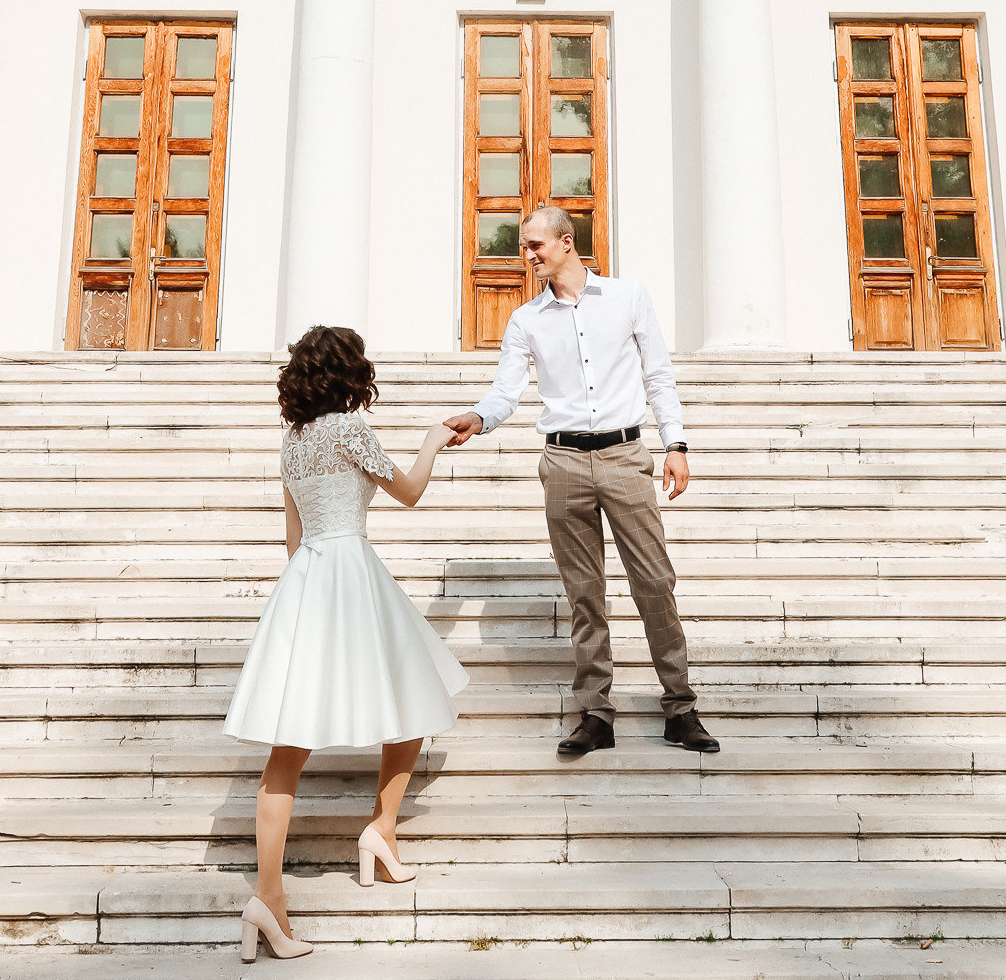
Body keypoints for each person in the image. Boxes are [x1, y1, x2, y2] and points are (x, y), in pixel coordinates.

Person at [221, 325, 466, 962]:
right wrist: (432, 442)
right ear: (349, 373)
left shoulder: (293, 441)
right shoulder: (353, 430)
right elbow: (409, 493)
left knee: (287, 746)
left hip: (307, 577)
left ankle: (269, 896)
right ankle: (381, 828)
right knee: (413, 691)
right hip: (353, 570)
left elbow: (292, 537)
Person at [442, 205, 718, 758]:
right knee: (584, 594)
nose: (528, 254)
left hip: (624, 454)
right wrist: (479, 417)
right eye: (525, 245)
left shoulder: (628, 298)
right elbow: (505, 391)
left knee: (654, 583)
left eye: (535, 245)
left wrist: (676, 444)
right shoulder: (526, 320)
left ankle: (680, 708)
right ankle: (596, 713)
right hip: (564, 462)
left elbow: (658, 374)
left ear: (567, 242)